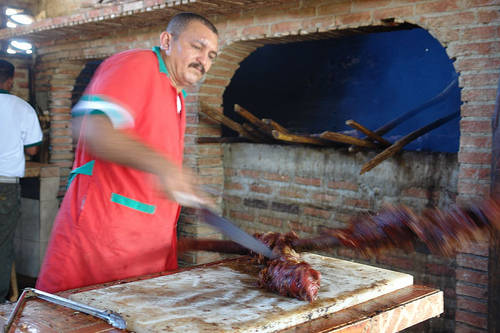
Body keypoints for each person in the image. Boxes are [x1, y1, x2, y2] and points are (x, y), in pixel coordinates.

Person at [36, 12, 219, 293]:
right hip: (102, 242)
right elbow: (93, 130)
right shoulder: (138, 64)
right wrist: (164, 167)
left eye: (211, 55)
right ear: (167, 40)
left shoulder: (177, 95)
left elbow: (148, 160)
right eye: (197, 47)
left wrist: (185, 187)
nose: (204, 61)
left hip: (144, 247)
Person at [0, 59, 43, 302]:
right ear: (10, 81)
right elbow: (33, 150)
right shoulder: (22, 108)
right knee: (2, 244)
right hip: (5, 183)